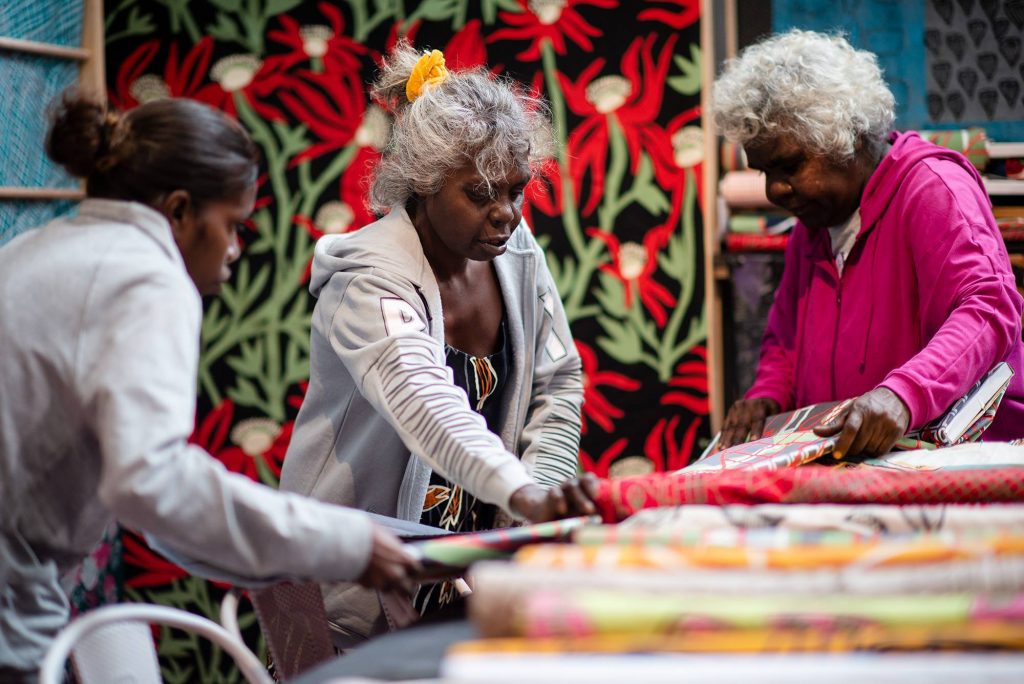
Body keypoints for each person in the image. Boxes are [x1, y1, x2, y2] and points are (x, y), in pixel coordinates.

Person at [0, 95, 418, 682]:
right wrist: (342, 544)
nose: (234, 250)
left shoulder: (38, 248)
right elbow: (151, 480)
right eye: (232, 225)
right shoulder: (148, 279)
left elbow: (144, 494)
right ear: (178, 211)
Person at [279, 43, 589, 644]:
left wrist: (538, 498)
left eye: (517, 191)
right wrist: (523, 494)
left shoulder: (517, 255)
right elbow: (425, 402)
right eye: (481, 194)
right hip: (346, 592)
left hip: (461, 580)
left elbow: (557, 381)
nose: (507, 214)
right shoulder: (368, 279)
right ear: (422, 183)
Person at [712, 30, 1024, 457]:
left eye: (788, 166)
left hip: (961, 459)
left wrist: (903, 395)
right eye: (765, 171)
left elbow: (989, 309)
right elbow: (786, 345)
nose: (775, 190)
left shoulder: (931, 188)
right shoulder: (814, 226)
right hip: (864, 467)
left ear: (848, 136)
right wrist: (767, 395)